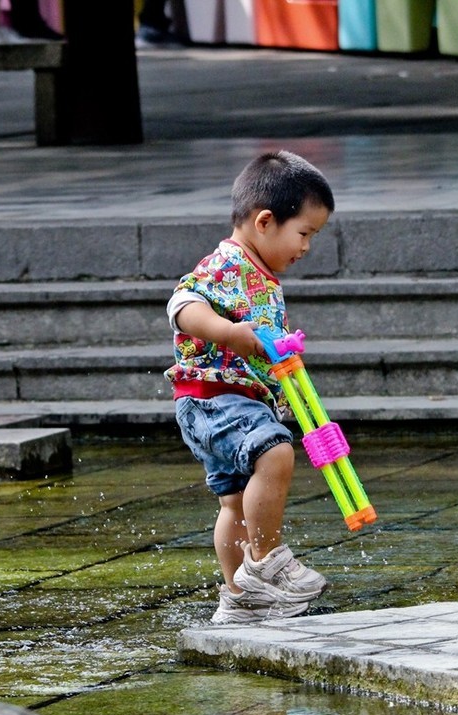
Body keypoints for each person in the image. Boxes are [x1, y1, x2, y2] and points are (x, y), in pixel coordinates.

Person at [165, 151, 335, 624]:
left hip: (226, 400)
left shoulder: (261, 274)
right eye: (304, 233)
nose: (306, 247)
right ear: (265, 221)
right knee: (276, 453)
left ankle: (241, 599)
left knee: (234, 501)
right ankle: (266, 566)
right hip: (216, 397)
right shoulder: (228, 264)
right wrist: (232, 333)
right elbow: (182, 304)